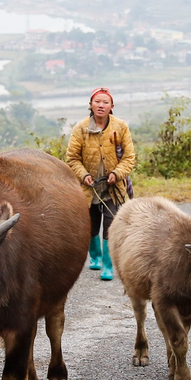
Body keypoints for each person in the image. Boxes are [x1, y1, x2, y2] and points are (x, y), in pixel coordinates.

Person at [66, 87, 136, 281]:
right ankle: (95, 256)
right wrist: (84, 175)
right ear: (91, 105)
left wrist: (117, 173)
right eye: (97, 102)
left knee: (110, 224)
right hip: (88, 187)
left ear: (111, 106)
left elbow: (129, 158)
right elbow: (72, 158)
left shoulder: (120, 126)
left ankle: (108, 264)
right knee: (91, 224)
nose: (101, 105)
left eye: (105, 102)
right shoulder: (80, 128)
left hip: (113, 187)